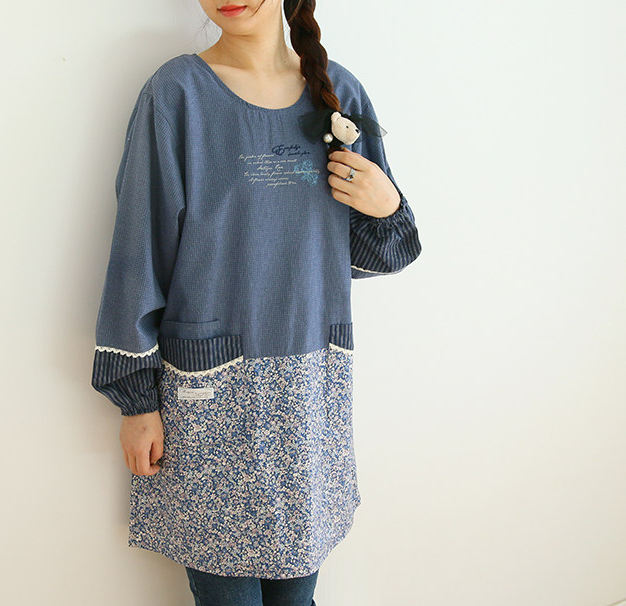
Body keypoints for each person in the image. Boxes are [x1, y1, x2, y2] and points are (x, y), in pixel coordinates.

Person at [91, 1, 422, 604]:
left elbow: (377, 253)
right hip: (207, 401)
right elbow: (139, 248)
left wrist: (388, 206)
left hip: (308, 395)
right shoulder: (176, 95)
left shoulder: (337, 93)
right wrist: (136, 402)